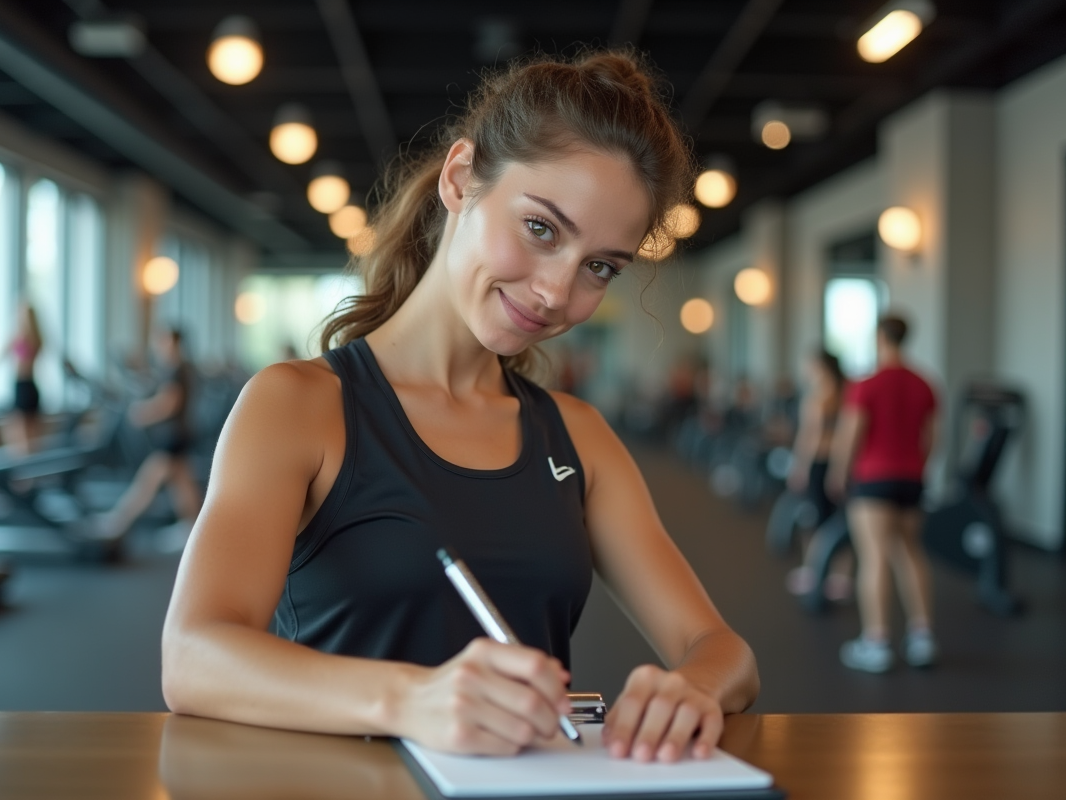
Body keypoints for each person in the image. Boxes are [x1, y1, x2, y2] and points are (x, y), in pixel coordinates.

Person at [162, 51, 759, 762]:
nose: (556, 292)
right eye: (541, 229)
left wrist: (692, 686)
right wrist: (412, 700)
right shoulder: (298, 406)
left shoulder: (579, 438)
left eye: (599, 266)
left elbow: (723, 651)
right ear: (459, 179)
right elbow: (193, 657)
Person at [827, 315, 938, 673]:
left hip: (874, 479)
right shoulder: (925, 384)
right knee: (910, 553)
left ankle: (876, 643)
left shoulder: (866, 383)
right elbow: (932, 439)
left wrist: (837, 471)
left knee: (873, 557)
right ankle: (922, 638)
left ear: (879, 337)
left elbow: (851, 432)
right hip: (911, 478)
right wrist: (918, 468)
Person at [98, 328, 202, 546]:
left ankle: (118, 520)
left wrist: (142, 413)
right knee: (182, 484)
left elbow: (169, 403)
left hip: (172, 435)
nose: (158, 346)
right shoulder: (178, 368)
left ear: (174, 343)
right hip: (179, 434)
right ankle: (192, 528)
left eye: (162, 342)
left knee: (147, 482)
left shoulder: (176, 369)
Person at [785, 350, 852, 600]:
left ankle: (813, 572)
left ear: (820, 367)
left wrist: (799, 466)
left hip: (819, 462)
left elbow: (809, 437)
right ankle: (840, 577)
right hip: (840, 463)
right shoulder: (846, 394)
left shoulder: (818, 398)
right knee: (838, 521)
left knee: (813, 518)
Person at [5, 300, 43, 456]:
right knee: (32, 438)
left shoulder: (19, 338)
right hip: (32, 387)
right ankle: (31, 477)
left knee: (17, 439)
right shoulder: (38, 339)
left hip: (22, 386)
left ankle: (21, 478)